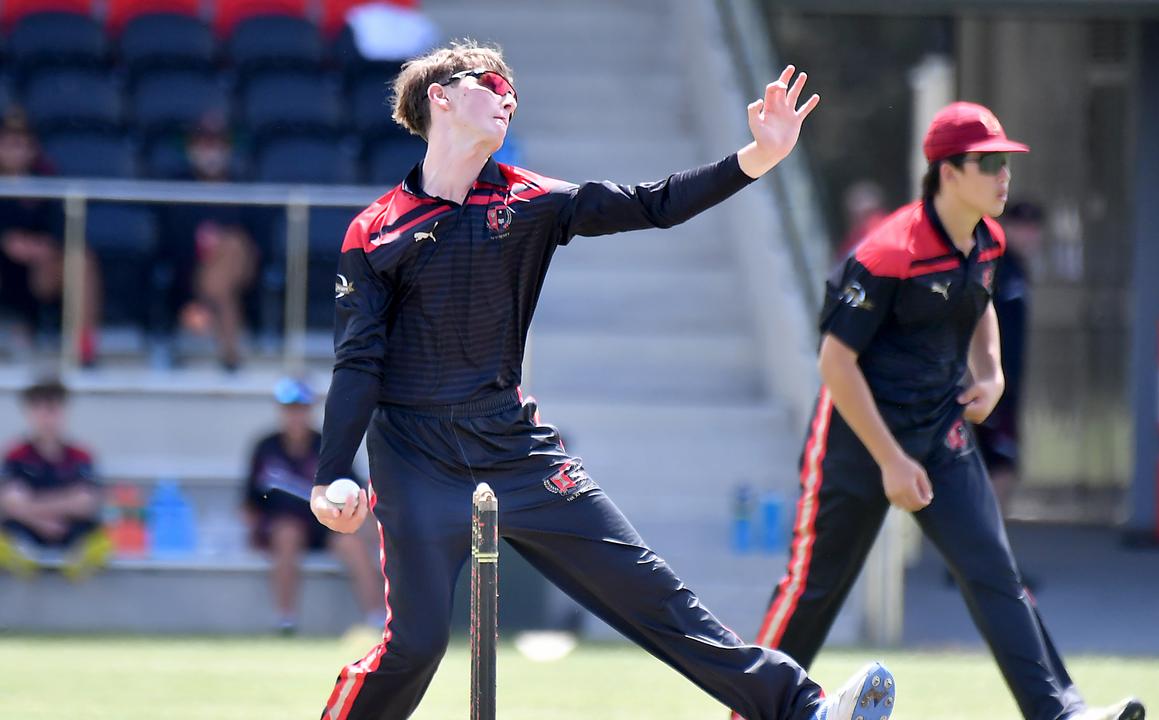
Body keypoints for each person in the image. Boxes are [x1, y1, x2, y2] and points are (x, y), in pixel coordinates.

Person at [308, 40, 894, 720]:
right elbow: (358, 362)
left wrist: (755, 158)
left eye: (513, 91)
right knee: (414, 648)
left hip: (516, 450)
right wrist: (331, 474)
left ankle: (805, 709)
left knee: (653, 594)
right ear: (439, 96)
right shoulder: (375, 231)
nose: (508, 95)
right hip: (414, 459)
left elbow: (654, 204)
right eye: (492, 82)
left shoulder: (532, 199)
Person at [737, 103, 1144, 720]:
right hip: (855, 440)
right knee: (813, 591)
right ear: (947, 173)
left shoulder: (987, 239)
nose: (1004, 177)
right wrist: (892, 463)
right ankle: (749, 712)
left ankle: (1063, 712)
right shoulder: (888, 253)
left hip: (938, 433)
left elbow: (978, 302)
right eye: (989, 165)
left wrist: (991, 370)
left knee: (994, 571)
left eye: (1005, 164)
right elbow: (835, 364)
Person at [244, 378, 383, 636]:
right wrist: (253, 533)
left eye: (301, 408)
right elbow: (250, 501)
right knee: (287, 534)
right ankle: (285, 620)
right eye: (290, 408)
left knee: (353, 544)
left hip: (327, 524)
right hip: (283, 525)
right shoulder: (266, 447)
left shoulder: (327, 445)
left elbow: (355, 492)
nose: (295, 415)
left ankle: (377, 619)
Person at [159, 114, 260, 371]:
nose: (210, 151)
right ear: (191, 147)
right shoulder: (176, 186)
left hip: (242, 269)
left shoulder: (243, 185)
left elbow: (259, 240)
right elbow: (169, 240)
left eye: (217, 143)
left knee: (234, 243)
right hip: (193, 271)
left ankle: (208, 315)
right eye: (204, 143)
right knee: (220, 282)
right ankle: (230, 352)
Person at [0, 109, 101, 365]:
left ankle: (83, 349)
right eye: (8, 143)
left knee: (82, 260)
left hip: (40, 274)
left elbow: (64, 229)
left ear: (33, 148)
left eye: (22, 144)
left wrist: (42, 246)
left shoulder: (48, 183)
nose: (15, 151)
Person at [0, 379, 111, 579]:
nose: (46, 418)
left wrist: (33, 506)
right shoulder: (16, 454)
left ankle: (76, 560)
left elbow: (85, 503)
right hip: (27, 528)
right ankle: (24, 556)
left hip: (70, 529)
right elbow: (10, 503)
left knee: (101, 536)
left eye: (52, 409)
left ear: (63, 412)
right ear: (29, 413)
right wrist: (44, 519)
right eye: (39, 410)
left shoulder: (81, 455)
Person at [973, 200, 1041, 514]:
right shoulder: (997, 266)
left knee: (998, 464)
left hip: (1007, 385)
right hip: (993, 382)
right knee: (1000, 464)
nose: (1030, 237)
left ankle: (982, 555)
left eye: (1034, 230)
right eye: (1023, 228)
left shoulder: (1018, 269)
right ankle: (984, 554)